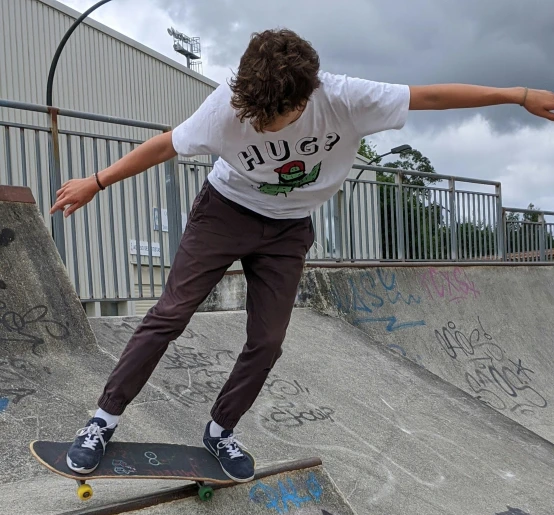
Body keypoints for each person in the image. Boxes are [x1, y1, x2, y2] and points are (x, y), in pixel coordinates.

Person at [50, 28, 554, 483]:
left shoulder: (348, 98)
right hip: (225, 212)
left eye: (276, 117)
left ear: (307, 96)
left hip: (289, 231)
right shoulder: (226, 105)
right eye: (257, 116)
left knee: (268, 341)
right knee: (170, 313)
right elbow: (165, 146)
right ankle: (102, 420)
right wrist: (96, 182)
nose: (264, 126)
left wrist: (518, 95)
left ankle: (221, 429)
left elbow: (433, 96)